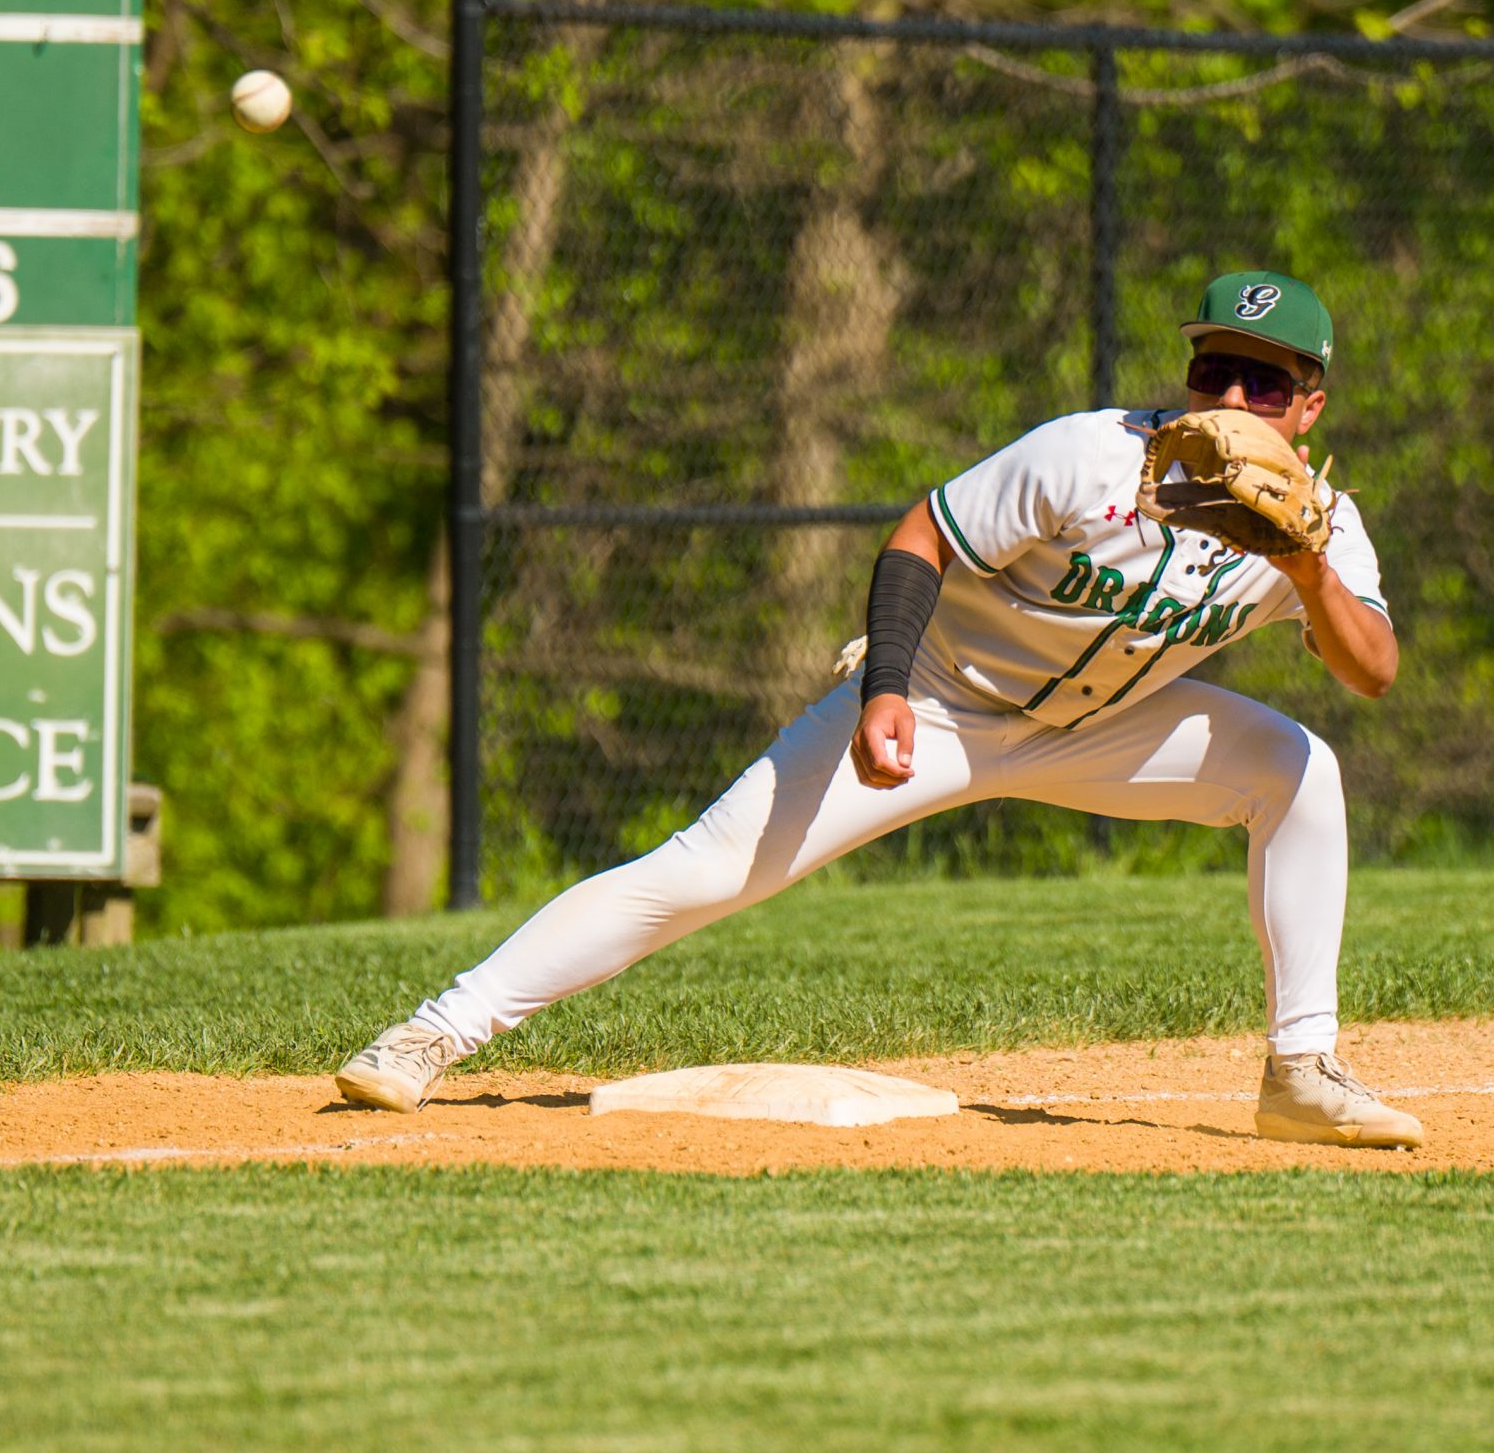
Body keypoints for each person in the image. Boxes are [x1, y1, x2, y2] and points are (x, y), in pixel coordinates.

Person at [337, 269, 1424, 1148]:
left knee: (1298, 770)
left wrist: (1308, 563)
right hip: (943, 701)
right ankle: (431, 1035)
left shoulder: (1319, 522)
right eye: (1214, 370)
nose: (1230, 402)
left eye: (1263, 385)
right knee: (706, 870)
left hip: (1103, 733)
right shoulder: (1090, 452)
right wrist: (888, 685)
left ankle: (1301, 1071)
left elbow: (1370, 668)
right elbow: (920, 537)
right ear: (1187, 375)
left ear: (1309, 405)